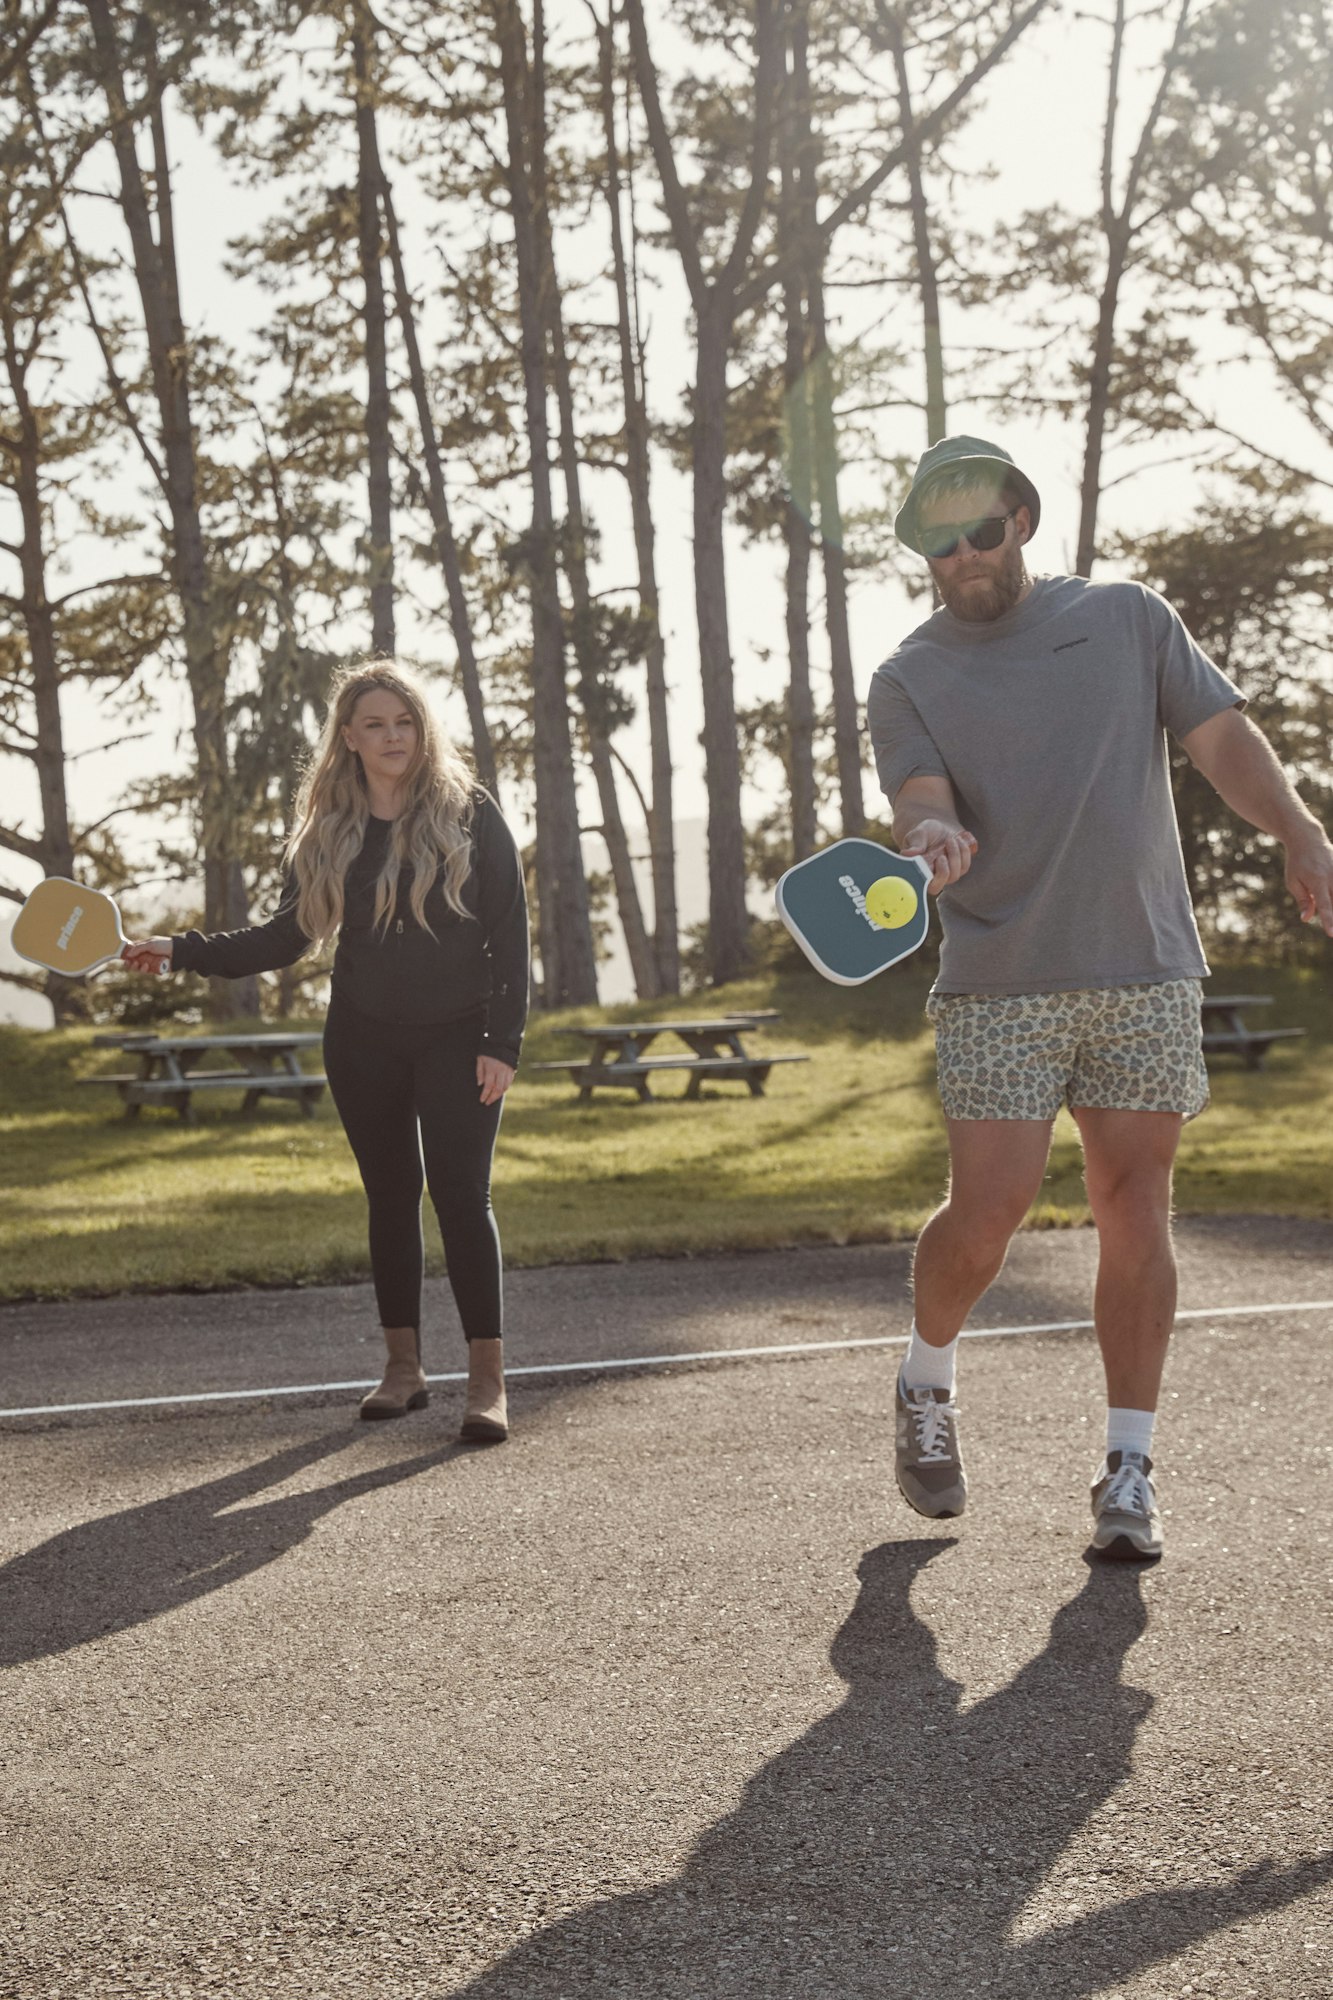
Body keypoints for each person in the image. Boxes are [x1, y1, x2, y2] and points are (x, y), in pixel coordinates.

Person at [866, 435, 1333, 1560]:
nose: (965, 554)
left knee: (1135, 1208)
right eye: (941, 539)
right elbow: (919, 797)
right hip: (998, 979)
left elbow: (1220, 738)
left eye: (981, 529)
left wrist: (1300, 829)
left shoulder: (1129, 618)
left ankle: (1128, 1466)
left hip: (1144, 966)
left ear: (1020, 521)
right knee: (987, 1214)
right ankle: (925, 1378)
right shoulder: (907, 675)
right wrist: (931, 835)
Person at [123, 660, 529, 1441]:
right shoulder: (331, 828)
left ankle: (487, 1382)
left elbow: (509, 936)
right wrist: (181, 951)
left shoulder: (468, 813)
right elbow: (283, 938)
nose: (392, 737)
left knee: (461, 1198)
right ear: (347, 738)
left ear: (423, 728)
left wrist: (500, 1042)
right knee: (388, 1197)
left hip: (458, 1036)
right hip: (362, 1039)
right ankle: (403, 1369)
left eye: (404, 722)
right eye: (374, 724)